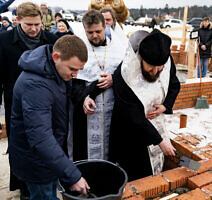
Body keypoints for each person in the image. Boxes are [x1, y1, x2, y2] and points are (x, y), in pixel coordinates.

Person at [9, 35, 90, 200]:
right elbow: (41, 138)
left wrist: (85, 96)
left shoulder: (55, 70)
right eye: (73, 69)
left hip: (48, 159)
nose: (75, 75)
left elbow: (63, 95)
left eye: (79, 70)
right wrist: (73, 176)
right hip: (36, 162)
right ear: (56, 57)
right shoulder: (35, 85)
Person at [0, 2, 57, 199]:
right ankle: (24, 187)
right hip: (16, 105)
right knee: (20, 146)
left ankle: (46, 182)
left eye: (37, 24)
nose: (33, 29)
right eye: (28, 25)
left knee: (44, 144)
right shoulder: (4, 40)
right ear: (18, 21)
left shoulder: (51, 40)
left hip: (45, 104)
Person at [109, 29, 180, 181]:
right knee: (136, 173)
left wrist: (165, 106)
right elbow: (133, 115)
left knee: (152, 173)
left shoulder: (164, 61)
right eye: (150, 67)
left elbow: (174, 84)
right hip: (130, 134)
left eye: (159, 68)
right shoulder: (125, 74)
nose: (155, 72)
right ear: (140, 57)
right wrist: (160, 141)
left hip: (154, 123)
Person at [69, 9, 126, 161]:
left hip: (112, 108)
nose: (94, 35)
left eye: (98, 31)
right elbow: (72, 82)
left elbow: (127, 75)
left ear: (105, 27)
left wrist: (114, 79)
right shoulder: (77, 49)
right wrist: (84, 99)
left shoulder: (119, 48)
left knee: (111, 148)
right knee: (84, 151)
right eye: (90, 32)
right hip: (86, 112)